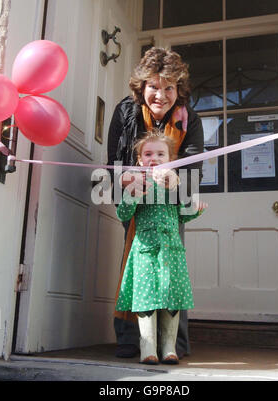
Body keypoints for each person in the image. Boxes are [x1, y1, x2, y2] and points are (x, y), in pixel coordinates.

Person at [107, 47, 204, 359]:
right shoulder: (124, 112)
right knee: (135, 270)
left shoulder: (191, 121)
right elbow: (111, 166)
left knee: (172, 273)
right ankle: (130, 341)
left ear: (179, 90)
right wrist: (128, 182)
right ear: (141, 87)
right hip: (137, 205)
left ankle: (175, 344)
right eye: (153, 86)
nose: (160, 95)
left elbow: (194, 169)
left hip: (171, 208)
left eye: (169, 88)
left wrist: (175, 181)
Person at [115, 131, 207, 365]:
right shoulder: (137, 183)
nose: (153, 158)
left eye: (160, 154)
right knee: (146, 299)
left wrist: (195, 208)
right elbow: (123, 214)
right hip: (146, 251)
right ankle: (148, 348)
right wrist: (132, 195)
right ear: (139, 160)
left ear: (170, 159)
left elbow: (182, 217)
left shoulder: (173, 184)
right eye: (147, 154)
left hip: (171, 251)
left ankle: (168, 348)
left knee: (171, 299)